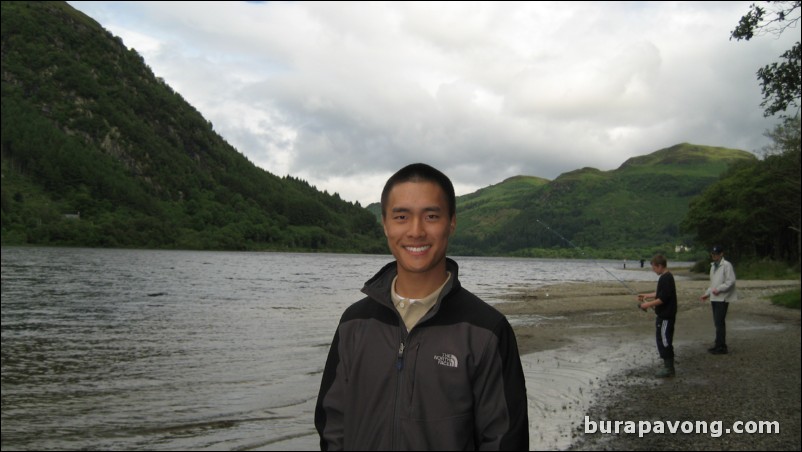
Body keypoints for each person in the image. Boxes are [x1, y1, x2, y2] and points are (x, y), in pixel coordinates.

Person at [315, 163, 529, 451]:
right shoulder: (354, 323)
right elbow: (332, 425)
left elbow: (505, 439)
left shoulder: (486, 330)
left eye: (431, 216)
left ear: (451, 222)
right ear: (385, 224)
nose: (416, 231)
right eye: (401, 216)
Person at [637, 254, 677, 378]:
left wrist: (647, 305)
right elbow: (660, 293)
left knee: (665, 340)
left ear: (660, 266)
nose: (653, 270)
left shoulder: (666, 278)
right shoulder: (665, 277)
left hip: (666, 316)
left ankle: (669, 368)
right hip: (663, 315)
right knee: (661, 339)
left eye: (654, 268)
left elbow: (662, 299)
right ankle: (667, 366)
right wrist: (647, 296)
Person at [699, 245, 737, 355]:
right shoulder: (713, 266)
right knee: (717, 322)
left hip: (722, 298)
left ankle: (721, 347)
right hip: (715, 297)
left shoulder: (726, 265)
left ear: (721, 254)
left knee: (719, 322)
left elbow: (731, 281)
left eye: (716, 254)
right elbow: (713, 283)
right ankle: (718, 344)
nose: (714, 255)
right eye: (712, 254)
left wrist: (719, 289)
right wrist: (707, 294)